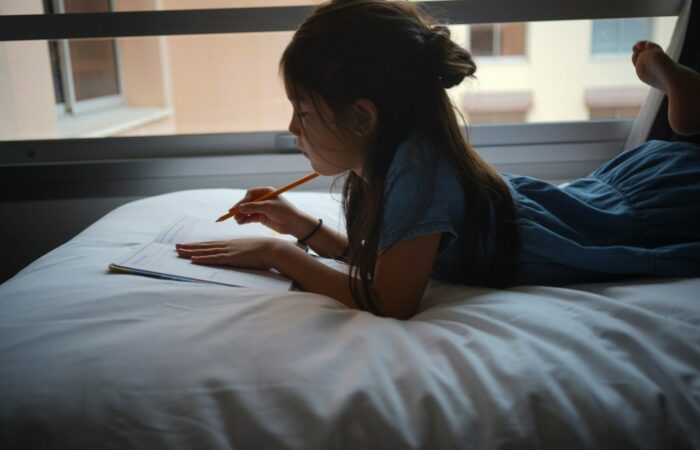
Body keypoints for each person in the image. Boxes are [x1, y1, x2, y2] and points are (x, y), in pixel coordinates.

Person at [176, 0, 700, 320]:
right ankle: (684, 114)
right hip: (584, 202)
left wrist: (278, 255)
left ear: (363, 117)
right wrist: (300, 227)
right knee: (681, 152)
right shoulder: (391, 159)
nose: (293, 130)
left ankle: (685, 113)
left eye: (304, 112)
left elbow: (391, 300)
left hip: (622, 222)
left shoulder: (418, 168)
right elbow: (383, 260)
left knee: (688, 166)